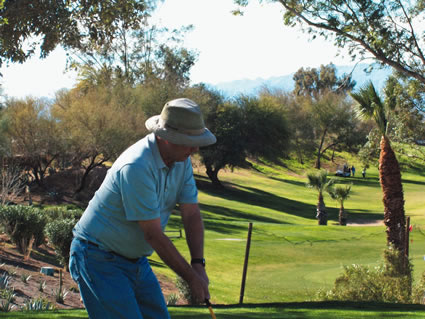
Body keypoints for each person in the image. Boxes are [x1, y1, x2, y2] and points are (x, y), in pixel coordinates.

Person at [69, 98, 216, 319]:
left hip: (136, 262)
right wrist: (192, 278)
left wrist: (198, 264)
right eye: (189, 141)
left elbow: (191, 214)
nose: (195, 148)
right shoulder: (137, 165)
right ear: (167, 138)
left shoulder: (181, 160)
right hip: (97, 257)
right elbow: (153, 235)